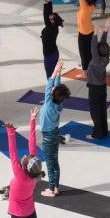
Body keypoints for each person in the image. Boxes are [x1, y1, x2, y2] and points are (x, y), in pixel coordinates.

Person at [7, 107, 44, 218]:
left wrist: (11, 132)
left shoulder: (21, 176)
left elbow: (13, 153)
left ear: (25, 165)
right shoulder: (34, 173)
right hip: (31, 217)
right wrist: (32, 120)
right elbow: (32, 144)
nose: (25, 155)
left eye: (26, 157)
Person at [40, 61, 69, 198]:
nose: (51, 89)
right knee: (55, 161)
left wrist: (55, 71)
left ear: (52, 95)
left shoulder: (49, 103)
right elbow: (56, 87)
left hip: (48, 137)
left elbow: (49, 84)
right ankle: (56, 187)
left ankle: (51, 190)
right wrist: (59, 72)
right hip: (55, 134)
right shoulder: (58, 104)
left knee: (50, 164)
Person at [87, 18, 110, 140]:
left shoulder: (96, 60)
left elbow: (93, 48)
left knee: (95, 111)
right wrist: (106, 29)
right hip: (102, 87)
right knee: (102, 109)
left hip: (94, 88)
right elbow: (103, 44)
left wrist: (95, 33)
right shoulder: (105, 58)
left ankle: (97, 134)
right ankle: (104, 130)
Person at [41, 0, 64, 79]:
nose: (48, 17)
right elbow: (48, 14)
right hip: (53, 53)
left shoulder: (51, 28)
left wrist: (48, 1)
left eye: (51, 18)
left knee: (50, 77)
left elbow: (46, 15)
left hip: (50, 56)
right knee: (55, 74)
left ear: (53, 22)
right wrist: (49, 1)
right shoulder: (54, 27)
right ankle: (56, 89)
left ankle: (53, 91)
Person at [77, 0, 97, 71]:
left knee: (83, 53)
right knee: (90, 52)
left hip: (83, 34)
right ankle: (90, 67)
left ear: (86, 2)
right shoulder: (92, 7)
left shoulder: (84, 8)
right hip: (91, 32)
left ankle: (85, 71)